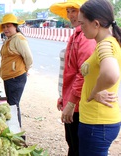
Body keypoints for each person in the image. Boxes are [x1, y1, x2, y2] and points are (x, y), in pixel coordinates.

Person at [49, 0, 96, 155]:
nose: (70, 15)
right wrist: (63, 97)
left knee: (77, 147)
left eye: (74, 11)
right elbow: (69, 72)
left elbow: (83, 74)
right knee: (72, 144)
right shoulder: (75, 35)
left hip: (79, 105)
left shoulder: (85, 37)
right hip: (71, 100)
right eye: (68, 11)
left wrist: (70, 103)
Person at [78, 0, 121, 155]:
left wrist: (94, 92)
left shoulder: (105, 45)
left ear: (96, 24)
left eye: (82, 24)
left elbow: (111, 74)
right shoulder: (111, 42)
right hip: (101, 121)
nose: (80, 28)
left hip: (97, 122)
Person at [0, 13, 33, 127]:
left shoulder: (18, 39)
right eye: (4, 27)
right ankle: (15, 128)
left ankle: (17, 130)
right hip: (9, 77)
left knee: (13, 105)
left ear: (15, 26)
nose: (6, 29)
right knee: (12, 104)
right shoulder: (9, 39)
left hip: (16, 77)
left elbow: (29, 57)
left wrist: (25, 69)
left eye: (9, 26)